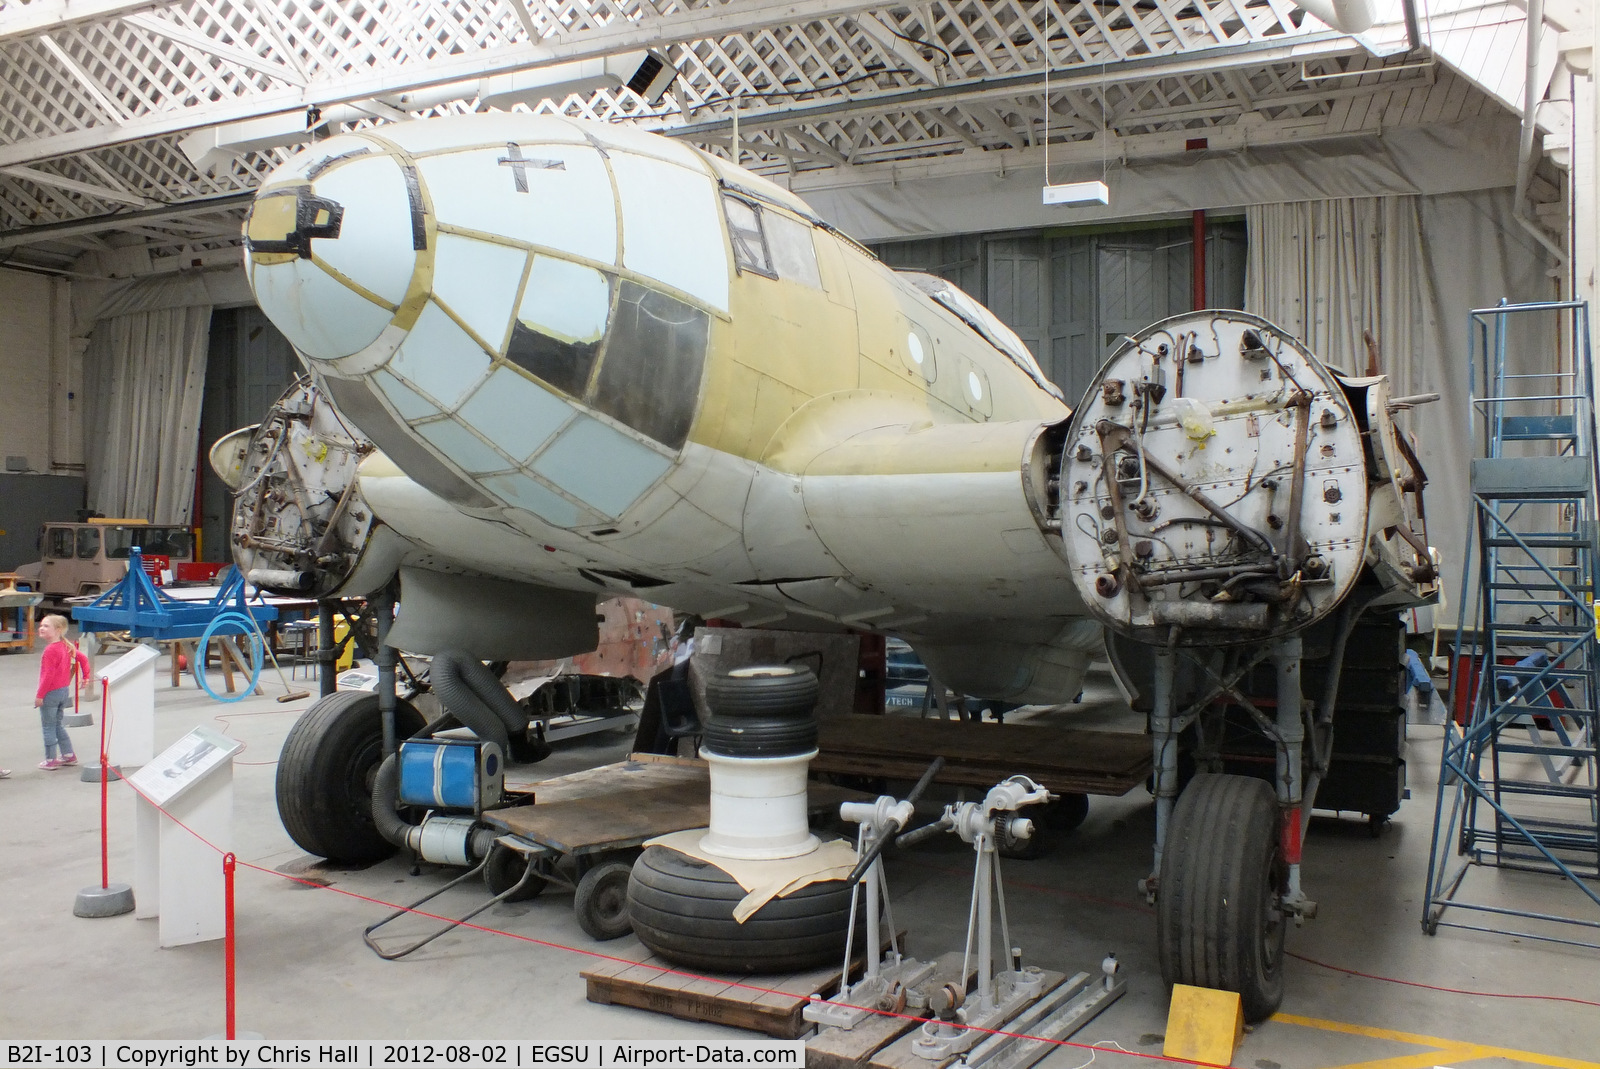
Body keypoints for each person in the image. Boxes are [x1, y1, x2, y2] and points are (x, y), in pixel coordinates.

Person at [34, 613, 88, 770]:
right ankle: (68, 755)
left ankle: (50, 759)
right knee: (58, 724)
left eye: (46, 626)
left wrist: (40, 695)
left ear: (58, 630)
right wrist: (86, 677)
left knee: (48, 726)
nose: (41, 628)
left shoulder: (50, 650)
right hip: (63, 692)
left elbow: (47, 676)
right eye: (41, 625)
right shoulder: (66, 646)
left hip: (50, 693)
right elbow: (83, 659)